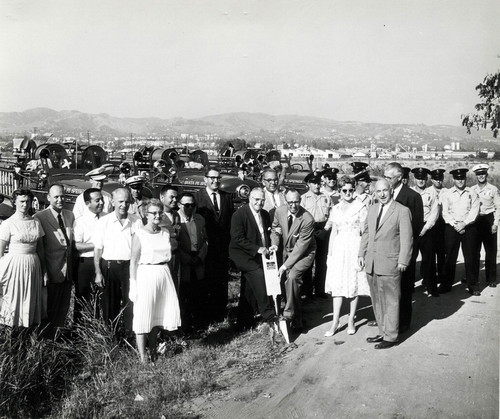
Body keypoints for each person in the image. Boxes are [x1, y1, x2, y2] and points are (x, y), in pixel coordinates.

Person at [358, 179, 413, 349]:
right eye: (378, 191)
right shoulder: (373, 208)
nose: (382, 194)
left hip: (390, 263)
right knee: (377, 300)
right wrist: (361, 253)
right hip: (372, 262)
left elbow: (407, 238)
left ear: (391, 191)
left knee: (391, 300)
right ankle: (383, 332)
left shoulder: (402, 211)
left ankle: (391, 336)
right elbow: (367, 233)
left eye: (385, 191)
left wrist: (404, 260)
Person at [129, 198, 181, 362]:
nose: (157, 216)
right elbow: (133, 261)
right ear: (146, 214)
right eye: (153, 213)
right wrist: (133, 284)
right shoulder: (139, 234)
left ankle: (153, 351)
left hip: (163, 274)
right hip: (146, 275)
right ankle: (143, 357)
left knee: (156, 316)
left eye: (159, 212)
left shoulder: (165, 233)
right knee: (143, 316)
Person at [323, 176, 369, 337]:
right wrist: (329, 254)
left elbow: (365, 232)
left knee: (353, 283)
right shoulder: (335, 209)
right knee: (337, 284)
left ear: (354, 189)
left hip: (354, 246)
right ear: (340, 191)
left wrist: (362, 253)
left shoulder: (361, 207)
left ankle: (351, 319)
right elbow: (334, 232)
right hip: (339, 248)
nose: (348, 193)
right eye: (344, 190)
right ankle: (335, 321)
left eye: (351, 190)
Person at [93, 188, 142, 331]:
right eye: (120, 201)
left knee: (131, 302)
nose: (123, 205)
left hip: (130, 268)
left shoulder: (136, 221)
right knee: (109, 304)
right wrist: (98, 272)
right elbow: (98, 249)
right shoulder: (104, 222)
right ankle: (111, 337)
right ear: (113, 202)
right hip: (109, 267)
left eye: (127, 202)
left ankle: (130, 335)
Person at [383, 162, 423, 333]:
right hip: (386, 249)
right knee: (388, 288)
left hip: (403, 251)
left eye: (389, 178)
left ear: (399, 178)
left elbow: (416, 225)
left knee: (405, 288)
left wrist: (406, 251)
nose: (386, 180)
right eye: (385, 177)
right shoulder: (384, 194)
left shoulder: (412, 197)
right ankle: (387, 321)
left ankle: (404, 323)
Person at [229, 188, 277, 328]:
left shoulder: (265, 214)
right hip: (242, 255)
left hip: (258, 254)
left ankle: (244, 321)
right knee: (258, 276)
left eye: (262, 200)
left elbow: (267, 234)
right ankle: (269, 315)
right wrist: (258, 249)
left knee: (249, 288)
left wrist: (271, 246)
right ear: (250, 198)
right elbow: (238, 238)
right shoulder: (239, 214)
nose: (259, 202)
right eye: (256, 199)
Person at [270, 189, 316, 330]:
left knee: (292, 277)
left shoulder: (307, 219)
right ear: (285, 201)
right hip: (287, 252)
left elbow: (301, 247)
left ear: (300, 201)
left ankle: (289, 314)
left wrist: (284, 266)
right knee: (289, 285)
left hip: (304, 254)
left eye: (296, 202)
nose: (293, 206)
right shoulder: (280, 211)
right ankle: (298, 319)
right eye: (290, 202)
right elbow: (276, 229)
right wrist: (274, 244)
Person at [0, 189, 44, 327]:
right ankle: (10, 335)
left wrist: (44, 270)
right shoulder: (8, 223)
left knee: (29, 299)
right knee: (13, 299)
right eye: (22, 201)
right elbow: (0, 251)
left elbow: (40, 248)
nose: (25, 205)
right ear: (15, 202)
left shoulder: (36, 222)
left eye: (28, 201)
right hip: (14, 265)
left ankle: (27, 334)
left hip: (33, 264)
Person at [34, 184, 75, 334]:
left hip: (67, 272)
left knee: (62, 309)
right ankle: (45, 340)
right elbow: (40, 248)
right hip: (51, 271)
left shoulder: (70, 215)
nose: (60, 199)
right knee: (48, 308)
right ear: (48, 197)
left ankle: (58, 341)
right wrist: (44, 272)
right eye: (56, 197)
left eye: (62, 196)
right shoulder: (40, 217)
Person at [195, 169, 234, 322]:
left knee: (222, 280)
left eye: (218, 178)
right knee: (206, 280)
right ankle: (207, 314)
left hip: (222, 248)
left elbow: (229, 222)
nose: (215, 181)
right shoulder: (197, 197)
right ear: (205, 179)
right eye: (212, 178)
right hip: (205, 247)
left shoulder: (226, 198)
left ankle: (221, 312)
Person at [439, 168, 480, 295]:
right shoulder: (447, 193)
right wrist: (455, 224)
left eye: (462, 178)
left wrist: (464, 224)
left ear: (465, 179)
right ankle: (446, 284)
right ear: (453, 179)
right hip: (452, 227)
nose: (460, 180)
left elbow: (475, 210)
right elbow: (445, 213)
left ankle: (472, 285)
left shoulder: (472, 193)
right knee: (450, 257)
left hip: (468, 227)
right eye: (457, 178)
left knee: (470, 257)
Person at [73, 187, 105, 323]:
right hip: (87, 263)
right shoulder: (80, 222)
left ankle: (100, 329)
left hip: (104, 261)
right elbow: (77, 245)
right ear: (87, 203)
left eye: (102, 199)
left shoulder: (107, 218)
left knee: (101, 298)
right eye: (97, 200)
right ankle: (79, 331)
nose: (101, 203)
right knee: (83, 297)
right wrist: (98, 244)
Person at [176, 192, 208, 328]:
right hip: (184, 262)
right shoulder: (175, 219)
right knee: (184, 294)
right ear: (179, 205)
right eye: (186, 205)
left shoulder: (199, 219)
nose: (189, 208)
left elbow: (205, 240)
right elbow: (175, 243)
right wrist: (186, 258)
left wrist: (200, 256)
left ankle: (199, 323)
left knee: (198, 292)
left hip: (198, 260)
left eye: (192, 205)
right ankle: (185, 325)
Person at [300, 172, 333, 299]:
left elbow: (332, 215)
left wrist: (326, 229)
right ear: (308, 184)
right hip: (308, 230)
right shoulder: (303, 198)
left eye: (319, 183)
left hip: (323, 229)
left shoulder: (326, 197)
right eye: (314, 183)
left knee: (322, 261)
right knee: (308, 260)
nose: (317, 185)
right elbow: (300, 217)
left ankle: (320, 290)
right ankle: (307, 291)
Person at [411, 167, 440, 297]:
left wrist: (426, 227)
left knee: (429, 259)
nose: (421, 181)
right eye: (418, 178)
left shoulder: (432, 193)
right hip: (412, 228)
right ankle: (408, 287)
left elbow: (435, 212)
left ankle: (431, 286)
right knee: (411, 259)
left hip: (427, 228)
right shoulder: (410, 193)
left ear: (427, 179)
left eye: (423, 178)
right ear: (414, 178)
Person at [470, 164, 499, 287]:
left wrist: (495, 223)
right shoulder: (471, 189)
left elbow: (498, 207)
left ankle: (491, 278)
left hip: (488, 219)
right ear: (476, 176)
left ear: (486, 175)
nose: (481, 176)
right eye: (478, 174)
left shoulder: (493, 189)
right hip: (476, 220)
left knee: (490, 251)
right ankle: (472, 278)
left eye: (483, 174)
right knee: (474, 252)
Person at [159, 185, 181, 290]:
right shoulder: (156, 215)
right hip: (162, 259)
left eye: (176, 197)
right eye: (171, 197)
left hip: (175, 258)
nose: (175, 200)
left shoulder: (176, 215)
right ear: (162, 197)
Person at [430, 169, 446, 285]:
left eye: (440, 179)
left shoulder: (447, 191)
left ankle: (441, 276)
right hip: (431, 224)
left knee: (442, 252)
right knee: (430, 252)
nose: (438, 181)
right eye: (436, 179)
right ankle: (428, 277)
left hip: (443, 224)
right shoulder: (428, 191)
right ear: (431, 180)